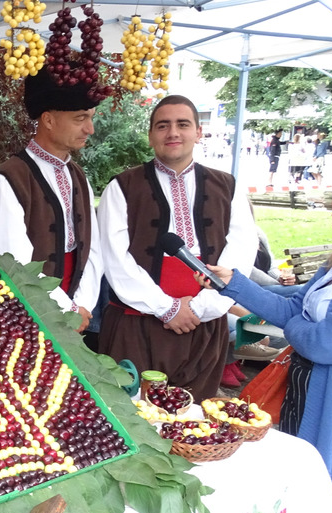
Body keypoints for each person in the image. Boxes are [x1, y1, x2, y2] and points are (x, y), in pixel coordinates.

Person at [199, 190, 332, 513]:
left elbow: (327, 343)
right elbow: (292, 308)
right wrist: (232, 281)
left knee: (327, 483)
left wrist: (295, 330)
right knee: (299, 473)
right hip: (305, 385)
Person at [97, 95, 257, 402]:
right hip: (138, 322)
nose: (173, 133)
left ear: (198, 132)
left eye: (183, 124)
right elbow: (114, 256)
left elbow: (241, 249)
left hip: (205, 322)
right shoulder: (122, 187)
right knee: (133, 417)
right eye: (163, 125)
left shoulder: (227, 186)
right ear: (150, 135)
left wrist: (201, 307)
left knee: (196, 417)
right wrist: (167, 308)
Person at [0, 70, 103, 333]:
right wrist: (65, 310)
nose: (89, 129)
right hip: (21, 318)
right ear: (48, 120)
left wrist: (81, 306)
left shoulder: (78, 176)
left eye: (90, 118)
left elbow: (92, 249)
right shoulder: (9, 179)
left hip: (73, 315)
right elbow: (12, 262)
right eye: (80, 118)